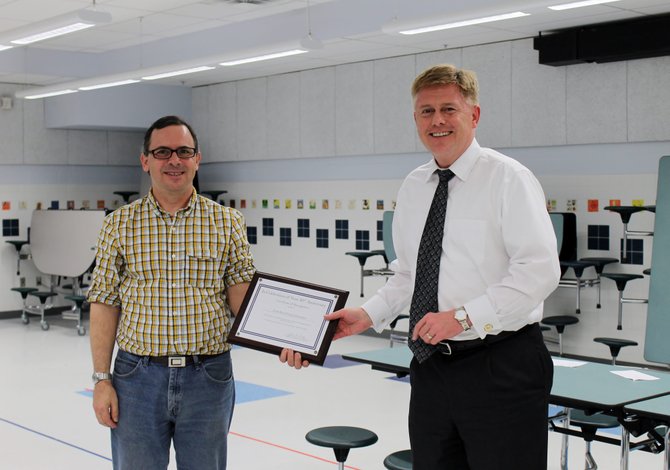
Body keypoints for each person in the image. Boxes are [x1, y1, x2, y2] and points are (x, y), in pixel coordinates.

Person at [281, 64, 560, 469]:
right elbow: (410, 274)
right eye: (426, 112)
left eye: (449, 109)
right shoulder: (414, 185)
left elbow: (539, 271)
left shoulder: (508, 179)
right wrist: (366, 315)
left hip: (502, 363)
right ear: (416, 120)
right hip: (433, 366)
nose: (438, 121)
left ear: (474, 115)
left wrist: (463, 318)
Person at [88, 115, 255, 470]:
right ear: (145, 160)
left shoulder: (227, 222)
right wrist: (102, 379)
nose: (174, 160)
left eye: (183, 151)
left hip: (208, 377)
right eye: (162, 152)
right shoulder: (118, 224)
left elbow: (242, 296)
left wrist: (286, 339)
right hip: (137, 379)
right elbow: (104, 303)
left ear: (198, 158)